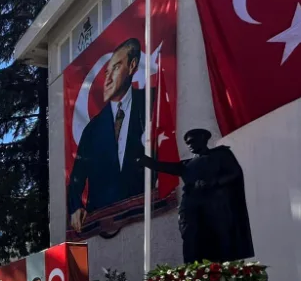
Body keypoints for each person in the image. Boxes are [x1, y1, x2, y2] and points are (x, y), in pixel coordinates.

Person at [67, 37, 146, 234]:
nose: (108, 79)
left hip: (147, 217)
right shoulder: (93, 129)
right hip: (104, 228)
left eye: (116, 68)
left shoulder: (150, 103)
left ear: (132, 65)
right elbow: (76, 179)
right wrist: (75, 207)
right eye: (106, 72)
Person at [140, 127, 255, 264]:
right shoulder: (187, 164)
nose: (189, 145)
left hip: (215, 206)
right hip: (192, 209)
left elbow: (235, 172)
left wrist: (214, 182)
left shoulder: (221, 154)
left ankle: (221, 270)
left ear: (203, 140)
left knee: (220, 239)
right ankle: (193, 270)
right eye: (187, 143)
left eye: (192, 141)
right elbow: (163, 166)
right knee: (191, 238)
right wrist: (146, 161)